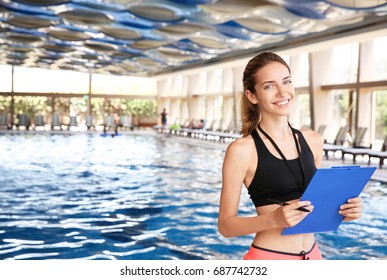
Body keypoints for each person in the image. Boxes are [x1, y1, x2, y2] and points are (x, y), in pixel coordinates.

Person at [218, 52, 362, 260]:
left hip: (313, 256)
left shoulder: (313, 140)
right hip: (270, 257)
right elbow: (225, 226)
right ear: (252, 96)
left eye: (286, 82)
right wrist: (273, 219)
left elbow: (315, 207)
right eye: (269, 86)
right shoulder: (242, 150)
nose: (282, 92)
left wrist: (345, 212)